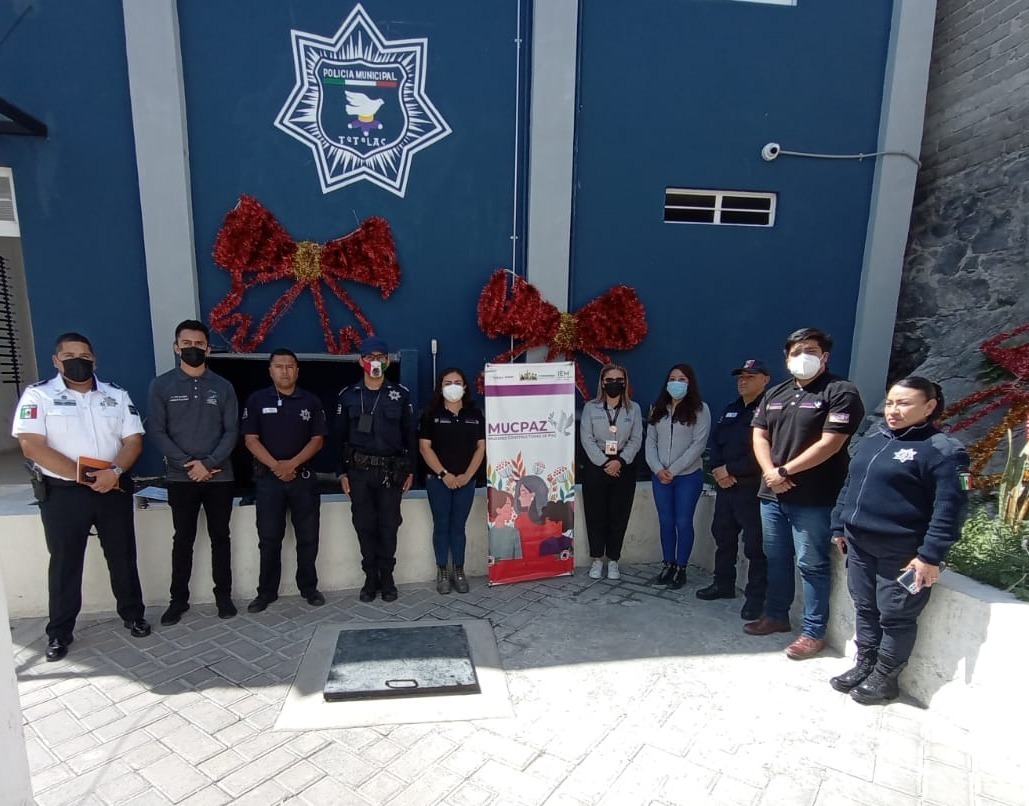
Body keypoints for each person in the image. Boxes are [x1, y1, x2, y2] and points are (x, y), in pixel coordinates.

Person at [12, 332, 151, 661]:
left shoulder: (115, 395)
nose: (79, 361)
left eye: (85, 356)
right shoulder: (39, 395)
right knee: (65, 563)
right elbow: (31, 445)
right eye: (70, 356)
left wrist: (114, 471)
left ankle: (133, 615)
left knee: (122, 556)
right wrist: (85, 477)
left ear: (95, 361)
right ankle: (59, 632)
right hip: (64, 493)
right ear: (56, 361)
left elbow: (133, 440)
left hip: (112, 487)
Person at [829, 377, 968, 704]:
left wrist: (930, 555)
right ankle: (865, 664)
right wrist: (839, 526)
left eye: (904, 403)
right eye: (890, 402)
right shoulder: (874, 441)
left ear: (929, 406)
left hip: (903, 553)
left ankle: (885, 676)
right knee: (865, 606)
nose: (893, 410)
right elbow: (850, 486)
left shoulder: (943, 451)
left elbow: (950, 508)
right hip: (860, 545)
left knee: (896, 614)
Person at [748, 327, 865, 660]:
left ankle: (813, 632)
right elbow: (759, 435)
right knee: (776, 558)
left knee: (811, 564)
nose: (803, 357)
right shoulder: (776, 393)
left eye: (811, 351)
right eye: (796, 352)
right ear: (786, 358)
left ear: (824, 356)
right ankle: (776, 615)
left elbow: (831, 443)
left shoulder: (840, 392)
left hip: (814, 497)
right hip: (772, 494)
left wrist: (785, 471)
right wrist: (771, 472)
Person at [148, 320, 239, 626]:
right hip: (181, 477)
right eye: (186, 343)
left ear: (208, 349)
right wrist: (188, 463)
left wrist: (209, 463)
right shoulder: (161, 385)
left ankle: (223, 597)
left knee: (220, 537)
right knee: (183, 538)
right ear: (176, 347)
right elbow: (157, 431)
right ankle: (178, 600)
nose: (193, 348)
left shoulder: (223, 386)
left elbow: (231, 431)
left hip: (219, 476)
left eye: (199, 344)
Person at [241, 348, 328, 612]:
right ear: (270, 371)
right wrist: (277, 466)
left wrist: (292, 464)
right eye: (279, 366)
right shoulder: (256, 400)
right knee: (269, 539)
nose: (285, 371)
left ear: (297, 371)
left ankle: (309, 588)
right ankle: (266, 592)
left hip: (303, 479)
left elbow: (318, 440)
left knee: (308, 537)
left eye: (290, 366)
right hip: (269, 480)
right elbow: (250, 440)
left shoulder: (311, 401)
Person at [337, 336, 416, 602]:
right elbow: (338, 437)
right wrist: (341, 473)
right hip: (358, 473)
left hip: (390, 473)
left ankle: (387, 577)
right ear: (361, 361)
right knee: (364, 525)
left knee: (389, 525)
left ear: (388, 361)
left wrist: (411, 471)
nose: (375, 362)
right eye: (370, 357)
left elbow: (410, 434)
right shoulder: (348, 395)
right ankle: (371, 577)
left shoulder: (400, 395)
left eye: (380, 358)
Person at [697, 359, 771, 620]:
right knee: (723, 535)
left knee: (754, 546)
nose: (743, 381)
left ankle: (755, 598)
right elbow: (717, 442)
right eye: (740, 377)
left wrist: (731, 470)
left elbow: (764, 451)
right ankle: (723, 583)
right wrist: (718, 469)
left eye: (750, 376)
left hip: (751, 488)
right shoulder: (731, 409)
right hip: (726, 486)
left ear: (765, 380)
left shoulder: (769, 410)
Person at [419, 368, 486, 594]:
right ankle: (442, 572)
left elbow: (481, 448)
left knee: (458, 527)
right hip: (438, 481)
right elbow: (424, 447)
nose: (453, 387)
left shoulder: (474, 414)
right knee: (441, 526)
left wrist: (467, 475)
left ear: (465, 387)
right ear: (440, 388)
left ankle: (459, 570)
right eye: (448, 383)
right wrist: (443, 474)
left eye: (458, 382)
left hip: (466, 482)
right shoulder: (431, 414)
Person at [645, 363, 711, 590]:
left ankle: (681, 567)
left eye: (682, 379)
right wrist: (657, 469)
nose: (676, 383)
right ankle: (668, 564)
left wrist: (673, 470)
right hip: (660, 476)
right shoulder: (658, 408)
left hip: (687, 476)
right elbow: (650, 442)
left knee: (683, 522)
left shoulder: (701, 409)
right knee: (666, 521)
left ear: (690, 383)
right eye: (672, 379)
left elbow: (698, 445)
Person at [580, 363, 643, 580]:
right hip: (597, 466)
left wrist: (620, 461)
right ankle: (597, 559)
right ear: (602, 383)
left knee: (619, 514)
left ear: (625, 383)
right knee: (595, 515)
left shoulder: (633, 409)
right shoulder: (591, 408)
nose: (614, 384)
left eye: (618, 380)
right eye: (609, 380)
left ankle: (614, 559)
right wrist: (605, 462)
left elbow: (636, 439)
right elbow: (586, 438)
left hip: (624, 467)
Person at [512, 474, 562, 556]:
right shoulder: (519, 521)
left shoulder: (551, 518)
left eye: (523, 492)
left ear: (533, 494)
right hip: (526, 562)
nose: (519, 498)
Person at [487, 489, 522, 561]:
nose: (511, 509)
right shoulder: (489, 534)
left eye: (511, 506)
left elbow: (518, 558)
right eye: (508, 505)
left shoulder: (514, 532)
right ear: (498, 510)